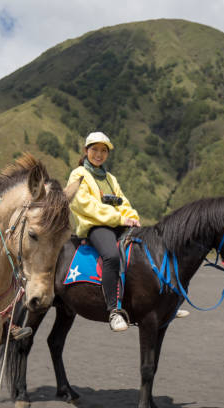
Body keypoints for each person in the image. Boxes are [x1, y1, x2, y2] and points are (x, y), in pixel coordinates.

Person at [66, 132, 141, 331]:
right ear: (86, 151)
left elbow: (122, 201)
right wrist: (119, 218)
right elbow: (86, 206)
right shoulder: (78, 175)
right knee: (111, 256)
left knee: (141, 250)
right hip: (94, 226)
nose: (99, 154)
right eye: (95, 150)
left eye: (103, 150)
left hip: (116, 223)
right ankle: (113, 311)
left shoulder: (110, 178)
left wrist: (132, 217)